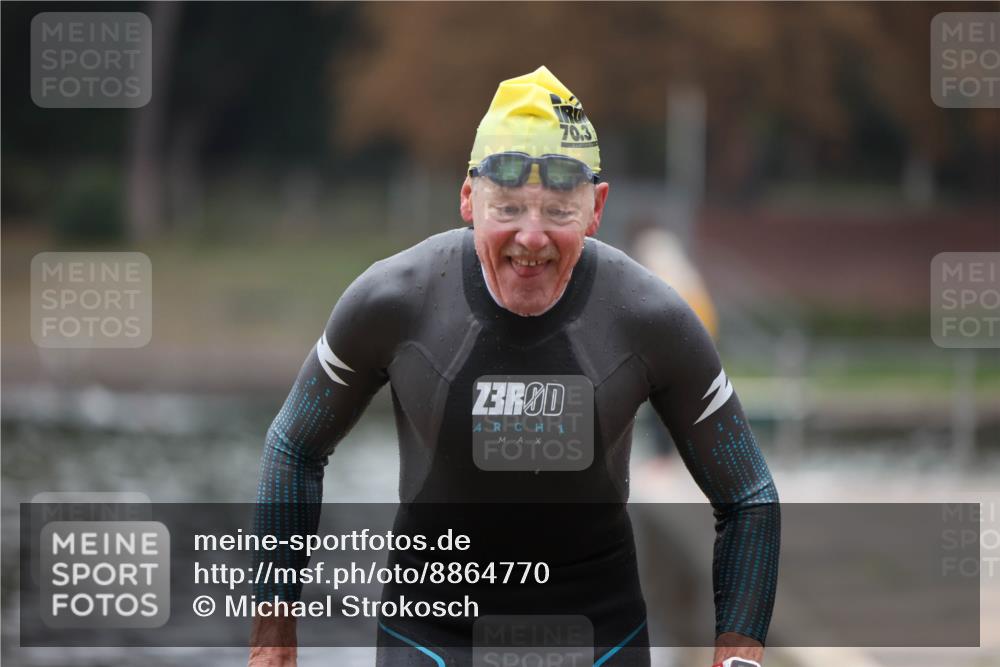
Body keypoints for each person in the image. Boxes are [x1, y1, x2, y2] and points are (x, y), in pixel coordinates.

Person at [249, 66, 779, 667]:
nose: (531, 238)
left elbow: (748, 496)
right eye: (508, 208)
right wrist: (273, 642)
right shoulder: (393, 301)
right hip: (433, 636)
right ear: (469, 198)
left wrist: (738, 659)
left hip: (599, 637)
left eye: (558, 211)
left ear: (596, 207)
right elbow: (294, 445)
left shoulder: (651, 317)